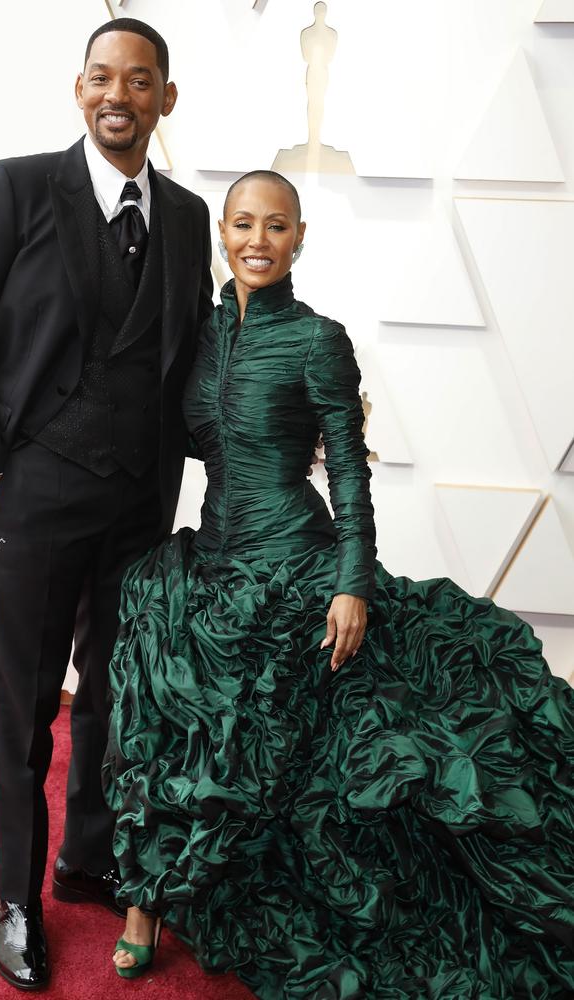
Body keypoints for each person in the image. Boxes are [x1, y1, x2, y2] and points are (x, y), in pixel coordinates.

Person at [103, 171, 574, 997]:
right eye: (243, 223)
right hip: (212, 559)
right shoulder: (201, 334)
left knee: (330, 744)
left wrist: (353, 583)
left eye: (276, 227)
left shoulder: (320, 338)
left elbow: (349, 475)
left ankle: (181, 893)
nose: (258, 240)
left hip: (298, 563)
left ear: (300, 238)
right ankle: (144, 899)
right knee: (155, 665)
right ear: (222, 232)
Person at [0, 17, 212, 991]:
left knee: (115, 699)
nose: (117, 94)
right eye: (101, 77)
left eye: (139, 79)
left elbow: (188, 363)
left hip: (138, 502)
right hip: (36, 496)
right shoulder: (14, 189)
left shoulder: (182, 215)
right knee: (22, 708)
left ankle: (85, 857)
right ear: (78, 89)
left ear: (164, 98)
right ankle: (15, 897)